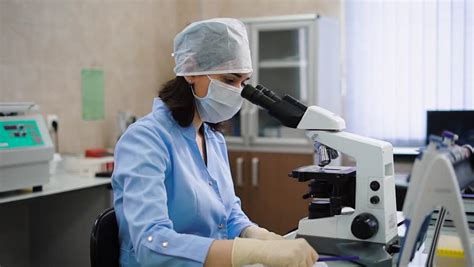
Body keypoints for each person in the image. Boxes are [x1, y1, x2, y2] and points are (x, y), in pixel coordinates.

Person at [112, 18, 319, 267]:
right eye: (229, 80)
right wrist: (251, 253)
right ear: (190, 71)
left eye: (243, 83)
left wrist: (260, 236)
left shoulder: (213, 139)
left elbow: (228, 215)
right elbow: (152, 244)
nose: (237, 92)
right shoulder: (145, 140)